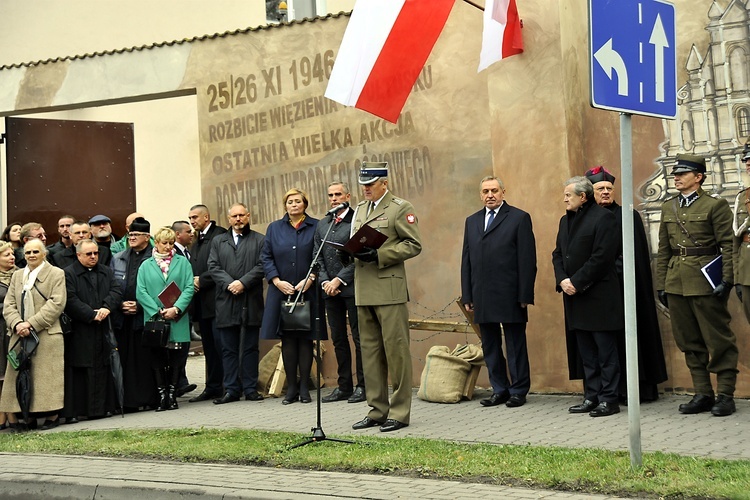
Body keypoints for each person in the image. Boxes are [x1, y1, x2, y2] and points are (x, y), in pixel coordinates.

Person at [656, 154, 738, 417]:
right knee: (688, 341)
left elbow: (728, 245)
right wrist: (662, 285)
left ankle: (725, 394)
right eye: (675, 174)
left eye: (682, 174)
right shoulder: (669, 207)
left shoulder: (716, 205)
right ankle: (703, 393)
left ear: (698, 177)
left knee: (718, 340)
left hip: (706, 282)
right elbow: (663, 250)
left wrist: (726, 280)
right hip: (676, 283)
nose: (676, 178)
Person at [583, 166, 668, 403]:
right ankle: (603, 390)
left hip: (624, 289)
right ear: (589, 192)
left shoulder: (628, 215)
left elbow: (633, 256)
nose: (606, 192)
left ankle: (633, 389)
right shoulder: (583, 219)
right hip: (596, 293)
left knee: (630, 339)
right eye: (600, 189)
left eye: (609, 188)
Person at [350, 162, 422, 432]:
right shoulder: (359, 209)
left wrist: (380, 255)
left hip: (389, 289)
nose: (366, 188)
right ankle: (376, 410)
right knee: (370, 353)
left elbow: (413, 244)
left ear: (384, 183)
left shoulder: (400, 207)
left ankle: (400, 412)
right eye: (363, 184)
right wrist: (347, 252)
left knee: (396, 352)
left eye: (370, 184)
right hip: (363, 289)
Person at [461, 176, 537, 408]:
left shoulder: (518, 218)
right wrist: (467, 295)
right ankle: (499, 389)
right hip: (482, 294)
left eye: (494, 190)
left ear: (504, 192)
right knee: (490, 345)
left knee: (515, 345)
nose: (490, 195)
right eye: (485, 191)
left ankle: (518, 390)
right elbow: (467, 260)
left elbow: (527, 260)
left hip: (510, 294)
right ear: (480, 194)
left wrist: (525, 295)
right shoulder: (472, 221)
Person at [552, 176, 623, 418]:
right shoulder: (565, 221)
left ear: (582, 197)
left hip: (599, 296)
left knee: (605, 352)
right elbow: (558, 254)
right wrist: (562, 280)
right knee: (587, 354)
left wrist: (577, 281)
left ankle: (609, 399)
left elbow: (603, 257)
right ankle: (591, 396)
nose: (564, 199)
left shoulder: (604, 218)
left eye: (568, 195)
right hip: (574, 297)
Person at [261, 190, 322, 405]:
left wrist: (311, 278)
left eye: (298, 201)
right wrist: (276, 280)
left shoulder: (316, 226)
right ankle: (291, 389)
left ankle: (305, 387)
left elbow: (319, 255)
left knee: (305, 340)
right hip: (281, 291)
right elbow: (266, 257)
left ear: (305, 204)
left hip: (307, 290)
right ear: (285, 205)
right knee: (287, 340)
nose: (294, 204)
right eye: (290, 201)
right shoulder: (274, 228)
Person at [0, 239, 67, 431]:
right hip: (20, 333)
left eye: (35, 251)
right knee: (20, 376)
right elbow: (9, 304)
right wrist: (18, 323)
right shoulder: (18, 276)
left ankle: (52, 416)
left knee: (47, 377)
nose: (31, 255)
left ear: (44, 253)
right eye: (27, 252)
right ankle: (26, 416)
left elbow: (56, 304)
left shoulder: (56, 274)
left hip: (46, 333)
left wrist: (32, 323)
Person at [208, 203, 265, 404]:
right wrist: (229, 284)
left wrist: (243, 283)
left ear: (248, 216)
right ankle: (231, 389)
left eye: (242, 215)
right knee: (228, 348)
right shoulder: (218, 241)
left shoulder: (259, 240)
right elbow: (213, 266)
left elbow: (262, 266)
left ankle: (250, 388)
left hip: (250, 299)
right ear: (228, 218)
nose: (238, 219)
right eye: (234, 216)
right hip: (226, 300)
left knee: (250, 347)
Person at [314, 182, 366, 404]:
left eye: (338, 194)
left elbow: (360, 257)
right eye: (330, 195)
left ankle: (363, 386)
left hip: (352, 288)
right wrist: (326, 281)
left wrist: (339, 279)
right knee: (338, 339)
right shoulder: (323, 224)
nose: (334, 198)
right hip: (330, 291)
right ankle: (344, 386)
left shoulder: (356, 221)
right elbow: (318, 256)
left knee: (359, 338)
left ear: (348, 195)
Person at [62, 239, 122, 422]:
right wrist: (90, 314)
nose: (93, 257)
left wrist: (106, 308)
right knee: (81, 368)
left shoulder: (106, 271)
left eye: (96, 253)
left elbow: (117, 290)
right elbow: (69, 299)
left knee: (103, 366)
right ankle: (80, 411)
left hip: (103, 327)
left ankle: (104, 408)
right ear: (78, 255)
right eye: (89, 254)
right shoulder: (68, 274)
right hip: (81, 329)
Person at [136, 227, 195, 411]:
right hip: (156, 318)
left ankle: (172, 394)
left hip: (177, 317)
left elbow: (188, 287)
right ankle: (162, 396)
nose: (168, 247)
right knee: (158, 356)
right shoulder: (146, 265)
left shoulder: (182, 262)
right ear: (157, 243)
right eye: (164, 243)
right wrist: (157, 310)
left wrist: (176, 308)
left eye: (171, 243)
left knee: (177, 356)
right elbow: (141, 291)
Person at [110, 217, 157, 410]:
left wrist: (140, 305)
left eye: (137, 235)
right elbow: (112, 285)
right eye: (130, 234)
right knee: (126, 360)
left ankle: (148, 399)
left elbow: (156, 288)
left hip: (144, 316)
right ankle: (128, 401)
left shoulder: (154, 258)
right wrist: (120, 304)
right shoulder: (118, 257)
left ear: (147, 237)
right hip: (123, 318)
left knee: (145, 359)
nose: (132, 238)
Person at [187, 204, 227, 403]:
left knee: (221, 346)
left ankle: (227, 386)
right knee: (209, 348)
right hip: (201, 303)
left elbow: (221, 266)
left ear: (206, 216)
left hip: (217, 300)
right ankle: (212, 386)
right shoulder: (197, 239)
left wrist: (200, 280)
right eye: (190, 218)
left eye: (195, 217)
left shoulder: (219, 235)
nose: (192, 221)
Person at [170, 220, 197, 398]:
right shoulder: (174, 254)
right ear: (178, 234)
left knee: (184, 346)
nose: (192, 233)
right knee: (176, 347)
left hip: (186, 307)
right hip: (173, 307)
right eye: (188, 231)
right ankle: (177, 382)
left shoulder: (189, 252)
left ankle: (181, 381)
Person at [0, 242, 18, 430]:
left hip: (13, 329)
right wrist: (7, 308)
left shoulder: (20, 275)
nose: (12, 257)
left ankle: (11, 413)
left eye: (12, 254)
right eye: (6, 255)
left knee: (11, 372)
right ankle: (2, 414)